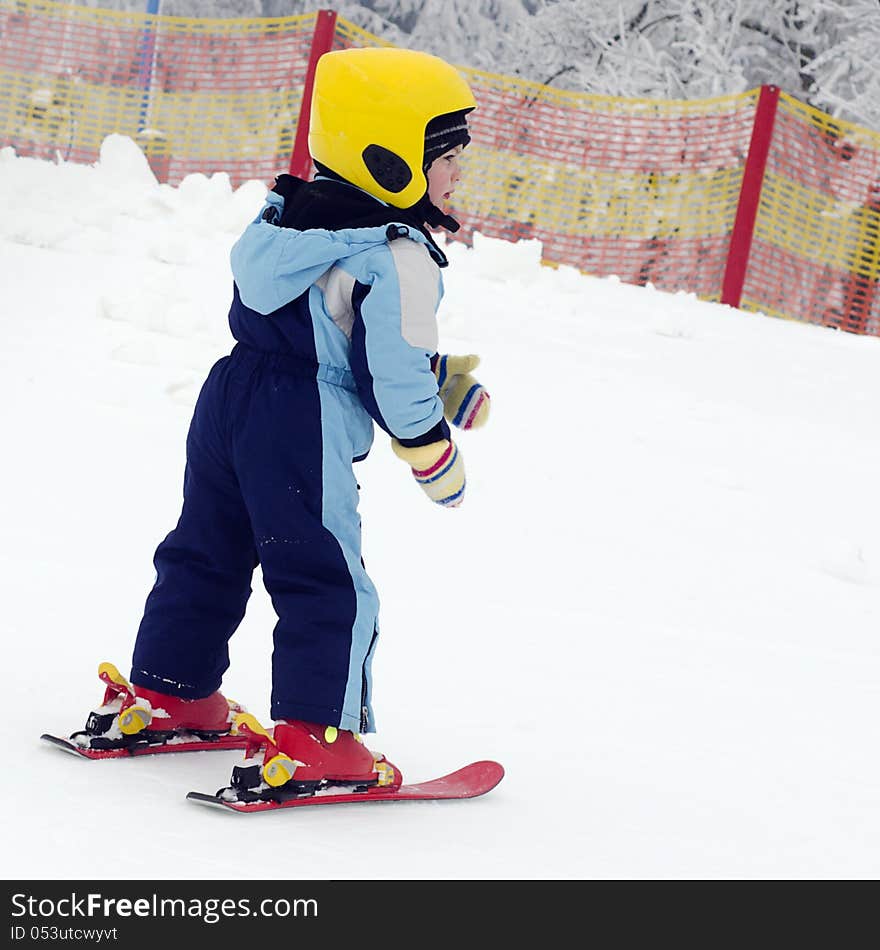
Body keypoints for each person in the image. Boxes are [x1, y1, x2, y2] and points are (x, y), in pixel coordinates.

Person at [75, 48, 491, 799]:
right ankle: (320, 736)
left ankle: (171, 691)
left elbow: (334, 330)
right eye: (448, 156)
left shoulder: (285, 220)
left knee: (207, 547)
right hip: (303, 422)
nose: (460, 172)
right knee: (325, 573)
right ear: (389, 158)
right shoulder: (398, 255)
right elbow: (386, 371)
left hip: (231, 397)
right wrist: (433, 447)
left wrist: (440, 378)